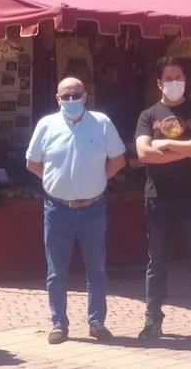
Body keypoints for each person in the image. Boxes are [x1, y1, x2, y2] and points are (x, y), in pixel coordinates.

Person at [26, 76, 127, 345]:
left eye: (76, 95)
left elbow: (118, 159)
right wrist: (55, 182)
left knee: (97, 269)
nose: (71, 100)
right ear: (57, 99)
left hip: (93, 209)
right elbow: (33, 163)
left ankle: (97, 323)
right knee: (56, 271)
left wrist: (99, 179)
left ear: (86, 96)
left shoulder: (102, 122)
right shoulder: (46, 125)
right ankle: (59, 324)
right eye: (65, 96)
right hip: (57, 210)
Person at [134, 57, 191, 341]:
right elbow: (145, 154)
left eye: (179, 77)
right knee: (156, 262)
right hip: (158, 198)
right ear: (159, 83)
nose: (175, 83)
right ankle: (152, 320)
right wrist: (189, 147)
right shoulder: (148, 116)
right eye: (169, 78)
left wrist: (168, 145)